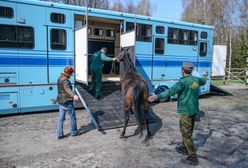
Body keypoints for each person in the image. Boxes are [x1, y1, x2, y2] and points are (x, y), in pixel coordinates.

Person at [148, 62, 208, 166]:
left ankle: (192, 156)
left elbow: (171, 91)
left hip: (186, 111)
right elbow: (203, 81)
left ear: (183, 70)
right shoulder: (196, 80)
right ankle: (184, 147)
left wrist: (157, 96)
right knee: (187, 130)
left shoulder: (182, 82)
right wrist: (204, 75)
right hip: (194, 110)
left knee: (186, 133)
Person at [56, 66, 79, 140]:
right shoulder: (66, 80)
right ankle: (74, 132)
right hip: (67, 101)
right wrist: (74, 95)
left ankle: (60, 134)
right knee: (72, 117)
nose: (71, 75)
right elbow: (67, 89)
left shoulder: (60, 77)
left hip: (60, 101)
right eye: (71, 74)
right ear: (69, 73)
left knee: (61, 118)